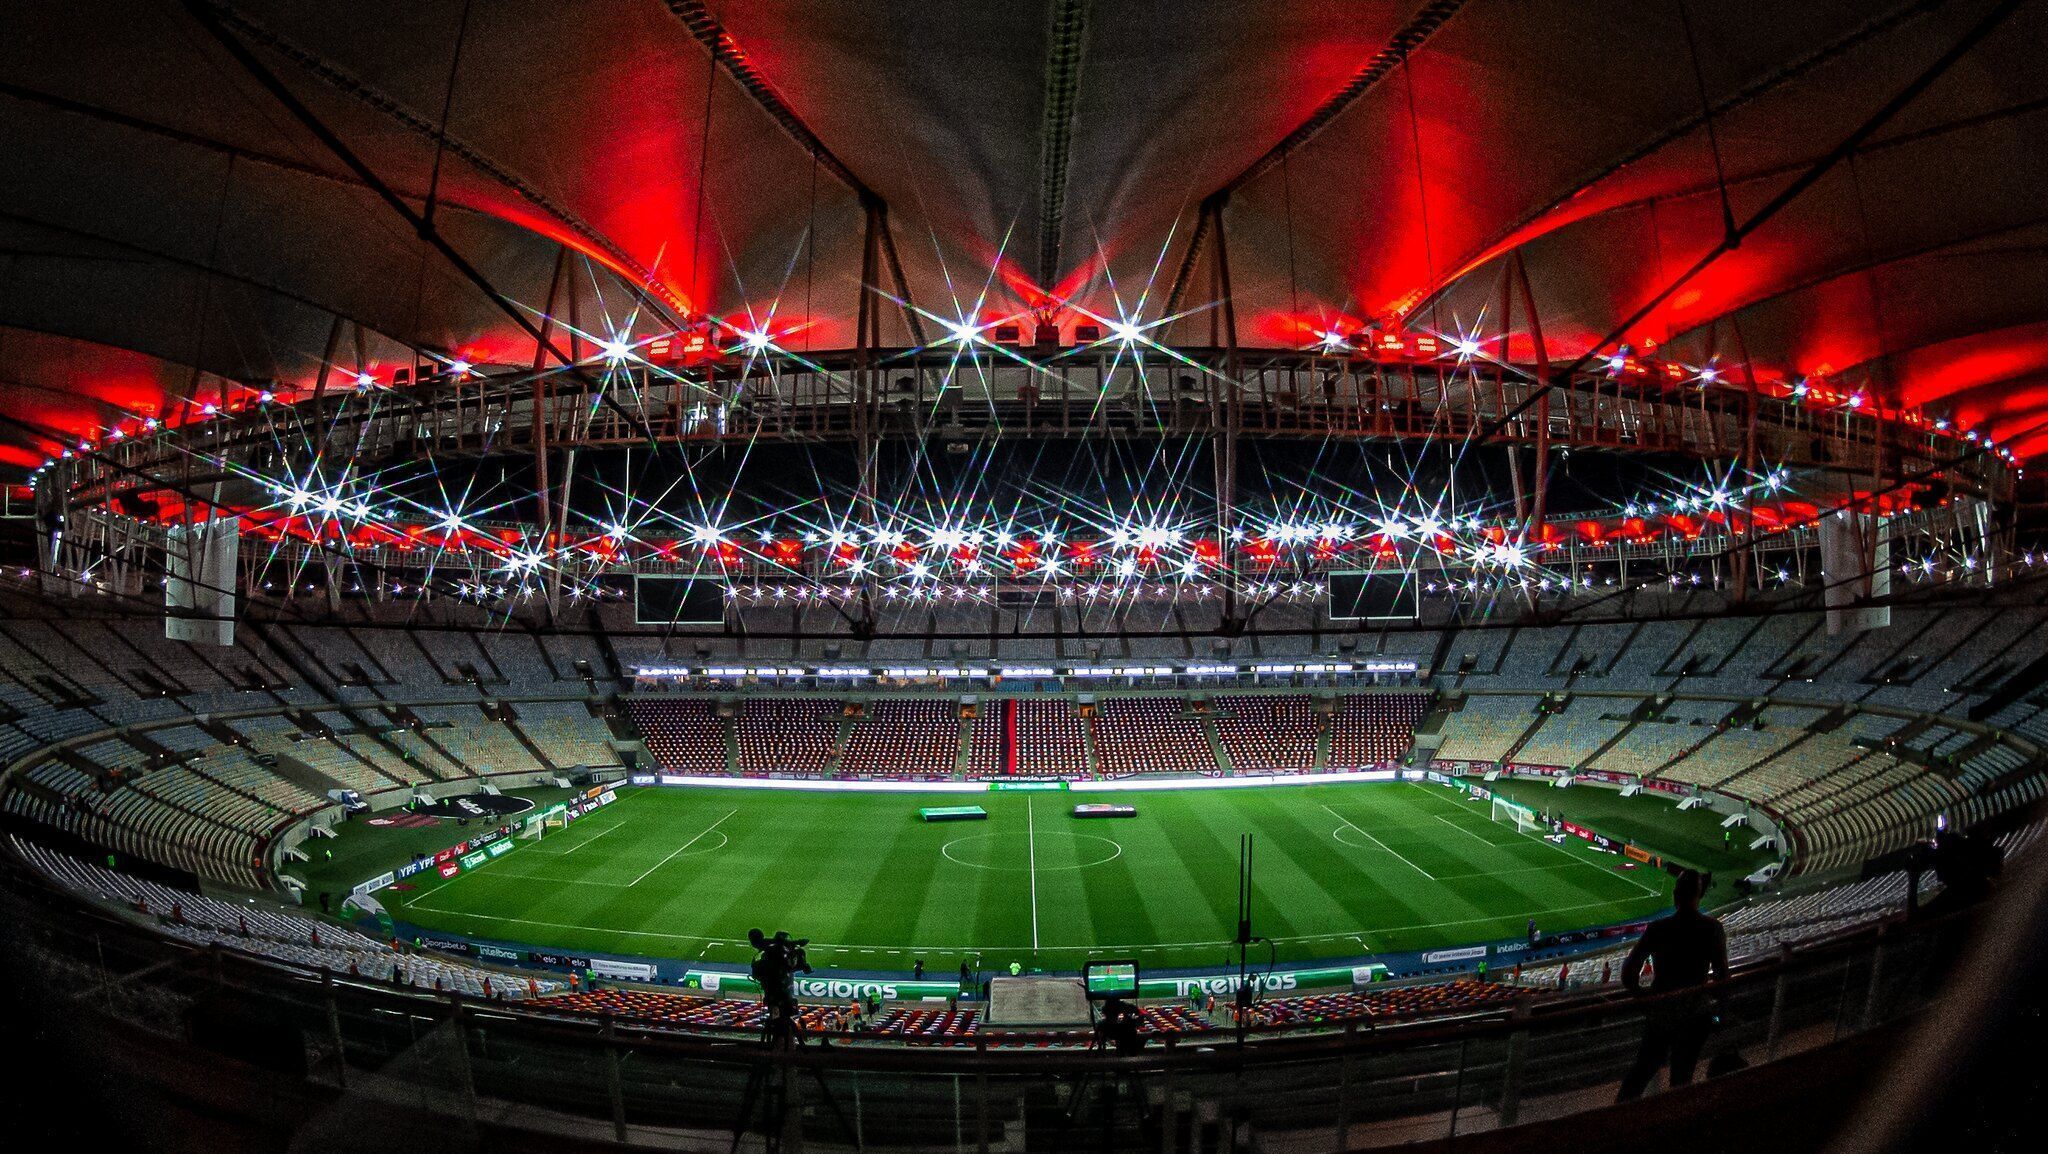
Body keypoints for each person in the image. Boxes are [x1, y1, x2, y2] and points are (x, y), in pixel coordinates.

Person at [1616, 869, 1729, 1101]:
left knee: (1641, 1073)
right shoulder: (1712, 929)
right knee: (1682, 1078)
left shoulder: (1658, 929)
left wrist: (1644, 999)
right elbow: (1722, 979)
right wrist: (1715, 1011)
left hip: (1662, 1014)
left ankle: (1616, 1122)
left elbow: (1628, 973)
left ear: (1675, 894)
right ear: (1700, 895)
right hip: (1695, 1015)